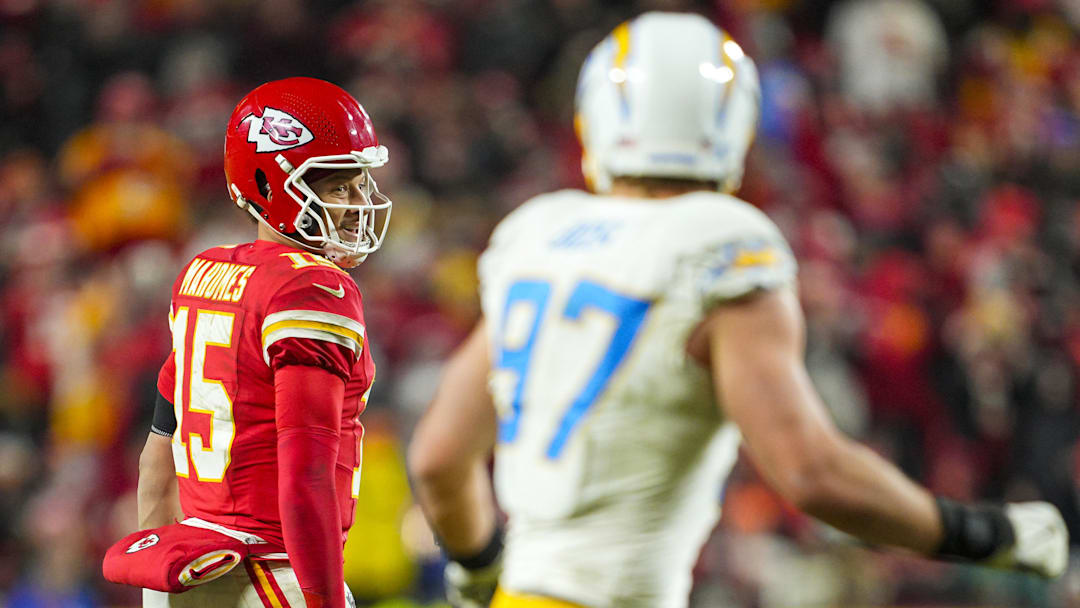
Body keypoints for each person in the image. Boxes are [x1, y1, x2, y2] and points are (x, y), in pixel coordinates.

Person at [407, 12, 1069, 608]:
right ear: (734, 121)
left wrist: (478, 570)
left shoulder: (538, 234)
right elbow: (811, 473)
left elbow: (439, 458)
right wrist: (985, 533)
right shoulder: (719, 241)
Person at [106, 77, 392, 608]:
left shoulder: (203, 273)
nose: (358, 203)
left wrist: (157, 581)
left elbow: (156, 456)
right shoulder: (312, 288)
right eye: (337, 187)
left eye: (359, 184)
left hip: (191, 570)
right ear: (273, 185)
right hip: (275, 575)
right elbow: (306, 477)